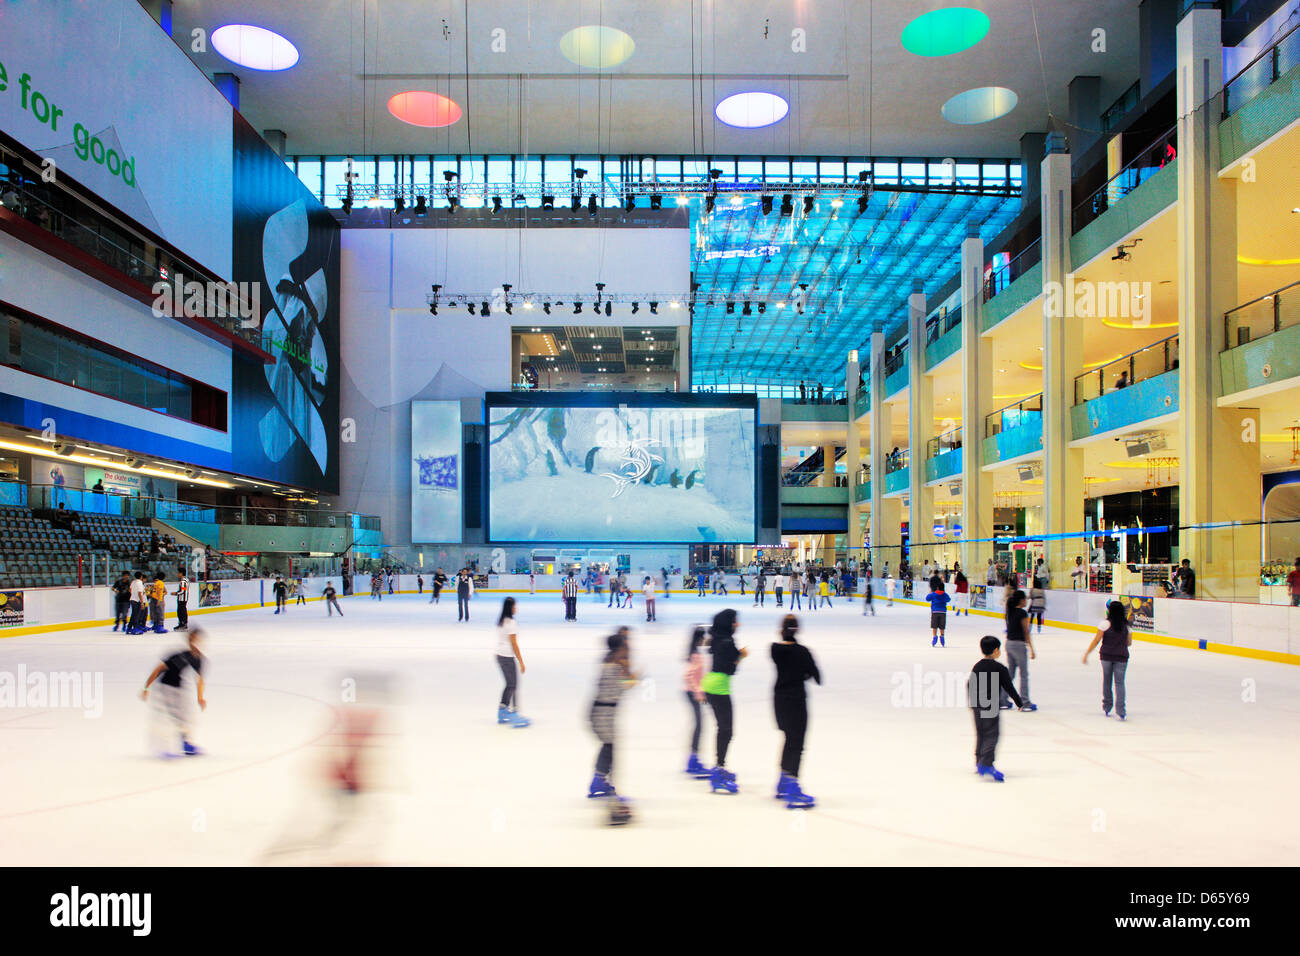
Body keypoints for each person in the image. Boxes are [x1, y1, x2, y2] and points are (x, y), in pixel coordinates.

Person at [587, 629, 639, 823]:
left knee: (609, 749)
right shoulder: (612, 668)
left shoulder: (609, 664)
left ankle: (599, 781)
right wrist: (634, 675)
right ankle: (612, 799)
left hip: (602, 713)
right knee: (611, 751)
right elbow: (624, 687)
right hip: (603, 714)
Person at [772, 615, 820, 809]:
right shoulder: (803, 652)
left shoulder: (774, 650)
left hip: (779, 701)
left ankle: (783, 782)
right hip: (796, 702)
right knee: (797, 743)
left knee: (788, 739)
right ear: (797, 629)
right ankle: (792, 786)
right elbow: (817, 677)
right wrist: (804, 671)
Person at [140, 626, 207, 758]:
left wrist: (200, 697)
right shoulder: (180, 656)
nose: (196, 643)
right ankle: (164, 747)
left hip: (178, 688)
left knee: (185, 716)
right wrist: (146, 688)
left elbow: (199, 678)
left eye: (198, 640)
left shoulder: (198, 658)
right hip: (166, 687)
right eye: (194, 640)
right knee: (169, 718)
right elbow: (158, 669)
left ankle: (185, 743)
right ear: (189, 640)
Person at [701, 609, 746, 794]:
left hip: (711, 684)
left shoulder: (719, 638)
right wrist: (741, 656)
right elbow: (729, 669)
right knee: (726, 729)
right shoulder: (727, 641)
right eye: (735, 621)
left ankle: (720, 767)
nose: (738, 624)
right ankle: (719, 771)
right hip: (719, 687)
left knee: (724, 728)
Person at [968, 635, 1025, 781]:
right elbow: (1009, 687)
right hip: (990, 705)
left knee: (981, 733)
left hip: (977, 705)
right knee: (992, 734)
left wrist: (972, 702)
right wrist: (1019, 703)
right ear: (995, 651)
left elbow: (970, 684)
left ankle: (979, 761)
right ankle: (986, 764)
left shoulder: (977, 666)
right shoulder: (999, 668)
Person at [1083, 600, 1132, 720]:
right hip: (1121, 657)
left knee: (1107, 681)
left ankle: (1107, 706)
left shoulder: (1105, 624)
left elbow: (1096, 640)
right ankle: (1121, 709)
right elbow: (1129, 643)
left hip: (1106, 656)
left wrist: (1087, 653)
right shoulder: (1127, 626)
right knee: (1120, 683)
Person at [495, 597, 529, 727]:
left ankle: (502, 710)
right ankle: (514, 713)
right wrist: (521, 661)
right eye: (514, 606)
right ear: (510, 607)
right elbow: (514, 644)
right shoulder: (511, 622)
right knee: (513, 684)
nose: (516, 608)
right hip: (507, 656)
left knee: (510, 684)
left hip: (500, 655)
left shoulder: (502, 620)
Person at [683, 627, 712, 778]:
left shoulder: (694, 653)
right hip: (691, 693)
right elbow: (688, 676)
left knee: (699, 725)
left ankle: (693, 759)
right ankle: (693, 761)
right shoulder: (695, 655)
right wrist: (698, 692)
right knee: (699, 725)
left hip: (691, 692)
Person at [1001, 590, 1037, 711]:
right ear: (1021, 600)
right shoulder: (1022, 613)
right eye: (1025, 599)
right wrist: (1031, 648)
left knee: (1010, 674)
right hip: (1018, 645)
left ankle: (1002, 700)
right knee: (1024, 674)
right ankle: (1025, 702)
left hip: (1009, 644)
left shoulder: (1010, 611)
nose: (1026, 601)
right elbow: (1026, 632)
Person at [927, 576, 951, 647]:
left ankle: (934, 636)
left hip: (935, 612)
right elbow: (948, 599)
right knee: (941, 626)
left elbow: (927, 598)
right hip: (943, 612)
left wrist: (930, 592)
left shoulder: (933, 594)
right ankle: (942, 636)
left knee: (934, 626)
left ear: (937, 588)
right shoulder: (944, 594)